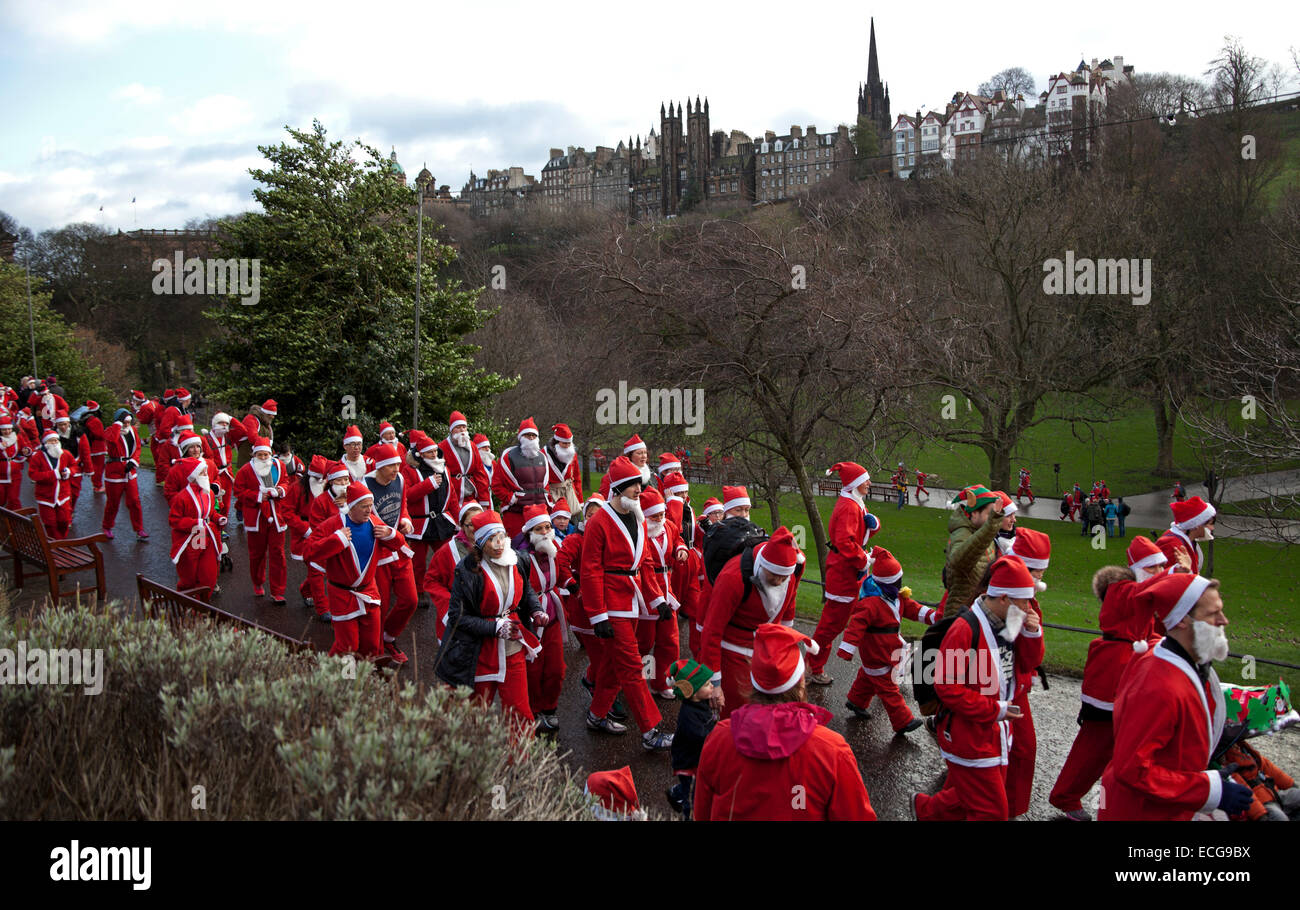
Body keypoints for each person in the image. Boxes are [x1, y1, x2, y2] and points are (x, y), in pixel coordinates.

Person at [1098, 573, 1253, 821]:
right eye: (1213, 614)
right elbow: (1133, 770)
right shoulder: (1159, 685)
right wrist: (1209, 790)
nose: (1224, 620)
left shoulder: (1169, 657)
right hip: (1142, 813)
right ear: (1182, 620)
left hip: (1162, 807)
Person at [1048, 537, 1178, 820]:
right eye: (1154, 567)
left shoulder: (1136, 591)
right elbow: (1144, 594)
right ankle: (1066, 795)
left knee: (1128, 745)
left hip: (1128, 674)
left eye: (1161, 567)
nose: (1158, 572)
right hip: (1110, 679)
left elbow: (1149, 628)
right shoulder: (1121, 589)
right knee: (1095, 744)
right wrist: (1176, 573)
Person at [694, 624, 876, 821]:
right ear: (800, 683)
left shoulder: (718, 738)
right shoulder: (832, 750)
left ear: (752, 680)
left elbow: (703, 811)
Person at [912, 556, 1040, 821]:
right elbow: (946, 687)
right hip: (969, 736)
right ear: (1003, 598)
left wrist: (1032, 634)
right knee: (991, 811)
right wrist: (994, 709)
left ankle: (926, 810)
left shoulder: (1011, 622)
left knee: (966, 795)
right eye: (1024, 601)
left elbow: (1029, 664)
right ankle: (926, 810)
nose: (1029, 608)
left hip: (993, 733)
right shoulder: (964, 628)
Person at [579, 455, 674, 749]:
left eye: (639, 484)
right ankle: (651, 731)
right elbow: (590, 570)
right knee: (632, 667)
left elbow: (644, 561)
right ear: (619, 487)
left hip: (630, 599)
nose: (639, 490)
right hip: (610, 604)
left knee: (611, 664)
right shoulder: (599, 521)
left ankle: (596, 716)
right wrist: (598, 615)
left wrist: (657, 598)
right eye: (633, 485)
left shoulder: (637, 516)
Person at [433, 508, 542, 732]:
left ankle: (522, 765)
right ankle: (473, 764)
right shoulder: (467, 571)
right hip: (479, 651)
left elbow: (527, 589)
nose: (499, 544)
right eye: (492, 539)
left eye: (501, 537)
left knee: (521, 713)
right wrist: (494, 627)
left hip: (512, 647)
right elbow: (457, 617)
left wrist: (536, 609)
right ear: (481, 542)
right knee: (476, 714)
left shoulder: (517, 560)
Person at [699, 526, 804, 719]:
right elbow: (711, 630)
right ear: (762, 565)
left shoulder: (794, 568)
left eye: (784, 577)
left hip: (764, 650)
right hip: (733, 650)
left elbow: (790, 601)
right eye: (775, 575)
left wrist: (785, 641)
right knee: (735, 714)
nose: (780, 581)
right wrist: (714, 683)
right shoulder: (732, 577)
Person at [838, 546, 937, 734]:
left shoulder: (897, 598)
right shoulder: (870, 604)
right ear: (888, 583)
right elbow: (855, 626)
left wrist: (933, 616)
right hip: (876, 653)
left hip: (886, 650)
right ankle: (902, 721)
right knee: (889, 689)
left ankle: (855, 700)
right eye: (896, 581)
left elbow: (914, 609)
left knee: (868, 677)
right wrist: (847, 648)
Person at [308, 482, 407, 659]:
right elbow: (309, 552)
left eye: (370, 505)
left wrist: (391, 533)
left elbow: (398, 544)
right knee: (347, 646)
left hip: (369, 592)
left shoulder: (374, 523)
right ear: (352, 506)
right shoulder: (333, 525)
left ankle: (364, 680)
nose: (369, 510)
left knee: (371, 644)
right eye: (364, 506)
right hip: (342, 595)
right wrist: (336, 540)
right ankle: (337, 679)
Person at [808, 462, 879, 684]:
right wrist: (863, 560)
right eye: (865, 480)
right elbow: (845, 543)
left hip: (853, 573)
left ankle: (880, 664)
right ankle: (812, 667)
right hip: (845, 574)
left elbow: (857, 535)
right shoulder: (849, 506)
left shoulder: (855, 503)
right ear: (856, 483)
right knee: (831, 625)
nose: (869, 483)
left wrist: (874, 525)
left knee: (868, 616)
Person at [364, 443, 418, 665]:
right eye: (392, 466)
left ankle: (388, 636)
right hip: (378, 554)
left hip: (399, 547)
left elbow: (402, 504)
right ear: (380, 467)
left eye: (398, 464)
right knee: (380, 604)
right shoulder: (364, 485)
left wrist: (405, 519)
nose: (396, 469)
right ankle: (375, 651)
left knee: (410, 600)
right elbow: (361, 515)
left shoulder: (401, 480)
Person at [517, 504, 566, 732]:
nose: (546, 532)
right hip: (531, 621)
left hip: (553, 616)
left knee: (556, 668)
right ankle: (533, 710)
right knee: (534, 669)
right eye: (540, 528)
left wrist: (570, 583)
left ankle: (550, 707)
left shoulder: (554, 548)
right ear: (530, 533)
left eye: (548, 526)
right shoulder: (521, 558)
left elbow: (563, 570)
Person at [637, 487, 687, 698]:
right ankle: (638, 680)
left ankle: (660, 682)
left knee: (670, 639)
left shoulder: (669, 526)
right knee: (644, 641)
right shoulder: (640, 533)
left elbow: (677, 540)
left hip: (667, 586)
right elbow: (645, 567)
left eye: (662, 514)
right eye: (655, 515)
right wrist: (656, 598)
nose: (659, 518)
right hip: (647, 590)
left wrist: (680, 549)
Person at [233, 436, 289, 602]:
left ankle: (278, 591)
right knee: (257, 554)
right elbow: (238, 491)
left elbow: (286, 482)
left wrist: (280, 490)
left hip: (276, 515)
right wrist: (258, 496)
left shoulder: (280, 466)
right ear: (254, 455)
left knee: (278, 553)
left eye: (266, 455)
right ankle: (258, 582)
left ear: (271, 454)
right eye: (260, 455)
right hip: (256, 517)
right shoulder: (245, 470)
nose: (263, 458)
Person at [940, 484, 1005, 618]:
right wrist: (991, 526)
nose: (992, 518)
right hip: (959, 617)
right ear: (974, 513)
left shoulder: (984, 534)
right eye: (989, 514)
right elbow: (958, 561)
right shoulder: (962, 534)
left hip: (977, 614)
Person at [665, 658, 717, 820]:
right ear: (693, 693)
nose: (712, 686)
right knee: (692, 799)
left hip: (695, 757)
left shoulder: (700, 701)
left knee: (694, 786)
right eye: (708, 684)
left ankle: (677, 792)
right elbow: (701, 737)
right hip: (689, 761)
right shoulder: (688, 716)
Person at [424, 502, 483, 645]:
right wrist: (451, 604)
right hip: (457, 613)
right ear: (462, 526)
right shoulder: (447, 551)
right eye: (471, 524)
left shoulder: (492, 546)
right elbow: (431, 581)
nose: (476, 528)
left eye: (480, 523)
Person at [167, 456, 221, 600]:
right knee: (189, 575)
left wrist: (217, 518)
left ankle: (201, 603)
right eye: (203, 473)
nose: (207, 475)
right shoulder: (182, 497)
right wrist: (194, 523)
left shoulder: (209, 493)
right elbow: (174, 520)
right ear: (194, 475)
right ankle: (186, 603)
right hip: (190, 538)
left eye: (206, 472)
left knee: (208, 574)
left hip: (206, 535)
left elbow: (211, 512)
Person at [492, 417, 551, 538]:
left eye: (534, 435)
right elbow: (496, 485)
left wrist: (547, 498)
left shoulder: (542, 457)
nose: (531, 438)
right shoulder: (508, 457)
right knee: (517, 548)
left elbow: (545, 484)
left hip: (539, 513)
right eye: (528, 435)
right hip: (516, 513)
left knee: (541, 550)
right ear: (521, 437)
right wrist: (511, 498)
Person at [439, 412, 493, 528]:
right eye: (458, 427)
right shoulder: (442, 447)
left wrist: (484, 501)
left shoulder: (472, 446)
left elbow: (480, 473)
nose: (462, 431)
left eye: (464, 427)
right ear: (452, 430)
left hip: (471, 495)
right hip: (453, 495)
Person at [101, 409, 147, 540]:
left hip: (129, 470)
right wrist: (117, 425)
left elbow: (137, 448)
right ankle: (107, 526)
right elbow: (112, 440)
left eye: (128, 422)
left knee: (134, 501)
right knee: (113, 502)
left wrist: (133, 461)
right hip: (114, 471)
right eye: (124, 422)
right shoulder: (110, 430)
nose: (127, 424)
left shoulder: (132, 431)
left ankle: (139, 529)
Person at [28, 429, 80, 539]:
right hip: (45, 497)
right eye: (51, 441)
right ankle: (56, 544)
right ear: (46, 443)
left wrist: (69, 472)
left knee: (64, 521)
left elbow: (74, 466)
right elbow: (33, 475)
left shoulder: (65, 454)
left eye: (56, 440)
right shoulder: (37, 457)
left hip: (63, 495)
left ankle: (61, 541)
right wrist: (53, 474)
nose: (55, 443)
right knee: (50, 523)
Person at [1157, 496, 1215, 575]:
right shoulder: (1172, 546)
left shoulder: (1190, 541)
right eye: (1210, 524)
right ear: (1197, 524)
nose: (1212, 528)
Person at [544, 423, 583, 504]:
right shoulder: (544, 454)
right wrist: (548, 498)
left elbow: (577, 477)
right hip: (552, 495)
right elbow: (542, 480)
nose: (567, 446)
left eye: (569, 443)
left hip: (570, 494)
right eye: (564, 443)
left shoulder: (573, 454)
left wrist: (579, 499)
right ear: (556, 442)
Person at [0, 410, 30, 510]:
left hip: (15, 474)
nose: (7, 432)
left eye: (9, 429)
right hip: (1, 475)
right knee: (1, 499)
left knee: (13, 499)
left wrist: (26, 451)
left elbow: (25, 448)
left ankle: (18, 521)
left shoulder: (18, 438)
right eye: (4, 430)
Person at [81, 401, 107, 493]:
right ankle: (98, 486)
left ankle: (97, 485)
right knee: (98, 467)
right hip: (98, 447)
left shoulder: (86, 419)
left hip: (91, 446)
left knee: (95, 466)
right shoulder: (95, 420)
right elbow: (100, 435)